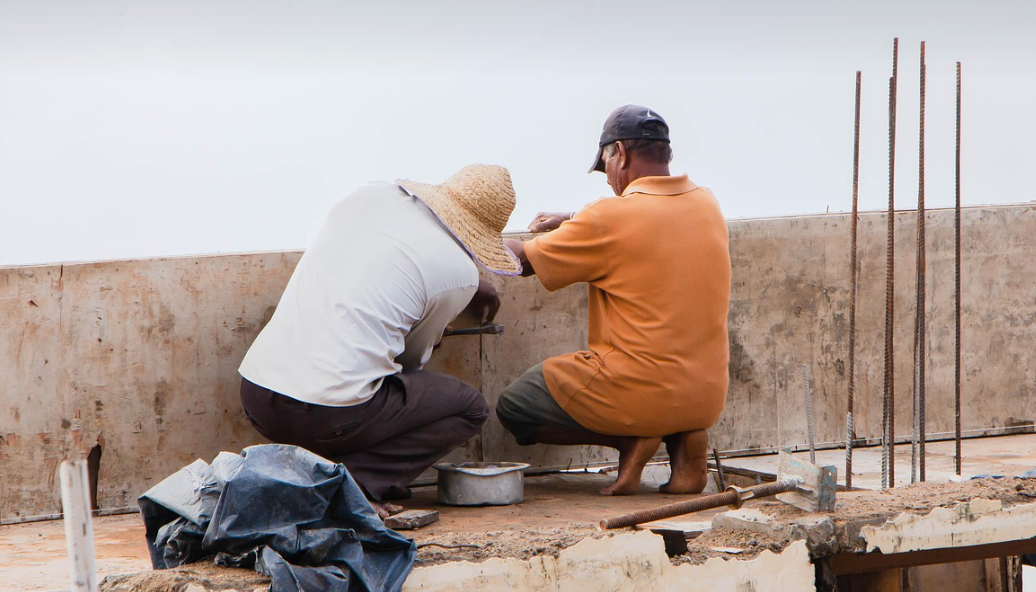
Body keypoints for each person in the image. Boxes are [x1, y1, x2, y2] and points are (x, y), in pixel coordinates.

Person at [238, 164, 521, 517]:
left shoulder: (371, 195)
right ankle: (356, 485)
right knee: (470, 407)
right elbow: (408, 363)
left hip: (258, 395)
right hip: (329, 418)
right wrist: (438, 326)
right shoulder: (459, 274)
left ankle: (312, 476)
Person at [500, 105, 731, 496]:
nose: (608, 179)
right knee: (672, 380)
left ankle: (631, 441)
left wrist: (463, 238)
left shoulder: (609, 218)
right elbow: (648, 222)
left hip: (639, 394)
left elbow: (521, 262)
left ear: (620, 153)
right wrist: (574, 218)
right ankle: (687, 447)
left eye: (605, 164)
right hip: (705, 396)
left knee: (514, 405)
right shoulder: (707, 203)